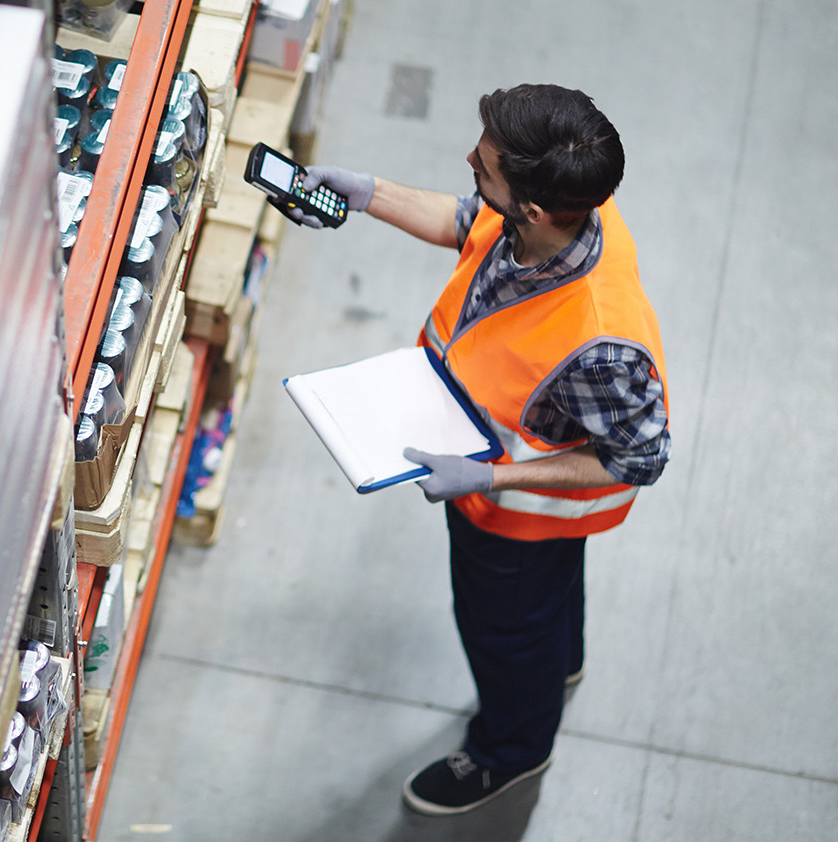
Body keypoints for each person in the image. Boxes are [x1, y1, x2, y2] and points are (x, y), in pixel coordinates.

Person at [297, 84, 670, 816]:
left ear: (532, 208)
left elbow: (641, 457)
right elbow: (471, 222)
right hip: (516, 509)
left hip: (515, 521)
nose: (470, 161)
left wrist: (491, 476)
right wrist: (370, 194)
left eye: (485, 164)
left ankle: (514, 750)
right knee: (546, 619)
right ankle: (559, 664)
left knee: (504, 631)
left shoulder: (601, 344)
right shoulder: (563, 212)